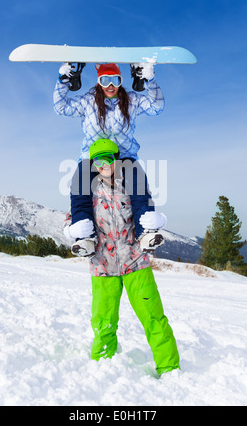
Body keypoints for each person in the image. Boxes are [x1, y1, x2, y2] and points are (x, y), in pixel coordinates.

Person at [63, 139, 180, 377]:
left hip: (136, 261)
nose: (104, 164)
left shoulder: (131, 184)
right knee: (103, 320)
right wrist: (71, 231)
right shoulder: (88, 190)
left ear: (117, 159)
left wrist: (160, 221)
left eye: (109, 158)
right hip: (102, 265)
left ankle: (169, 368)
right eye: (99, 160)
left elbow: (146, 211)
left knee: (153, 317)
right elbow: (73, 218)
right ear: (93, 164)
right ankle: (102, 366)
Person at [53, 61, 165, 256]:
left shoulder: (130, 100)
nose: (110, 85)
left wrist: (151, 81)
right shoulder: (89, 101)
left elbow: (157, 107)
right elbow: (61, 108)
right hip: (93, 156)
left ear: (121, 81)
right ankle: (85, 237)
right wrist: (62, 81)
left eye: (115, 80)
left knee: (138, 183)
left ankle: (145, 231)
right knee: (80, 186)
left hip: (124, 155)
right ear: (98, 82)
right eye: (105, 80)